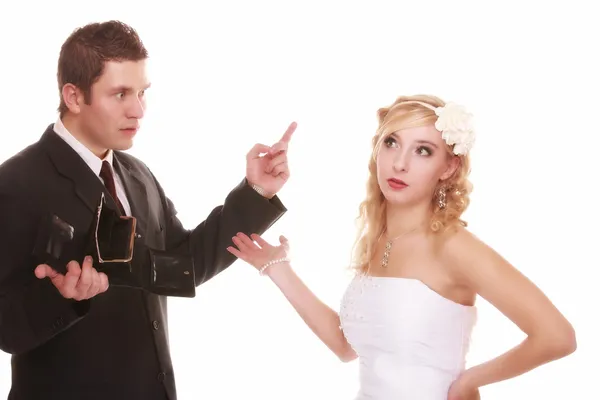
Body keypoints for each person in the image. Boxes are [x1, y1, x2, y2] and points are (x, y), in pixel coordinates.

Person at [0, 20, 294, 400]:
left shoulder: (137, 175)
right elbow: (5, 327)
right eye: (120, 93)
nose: (138, 110)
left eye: (142, 92)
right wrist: (62, 297)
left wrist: (257, 191)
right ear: (73, 96)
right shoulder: (16, 184)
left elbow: (182, 264)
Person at [227, 94, 577, 400]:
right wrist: (277, 267)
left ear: (449, 167)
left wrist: (467, 382)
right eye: (392, 142)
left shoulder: (452, 246)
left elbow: (556, 336)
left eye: (423, 150)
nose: (400, 163)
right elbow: (345, 346)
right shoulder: (380, 240)